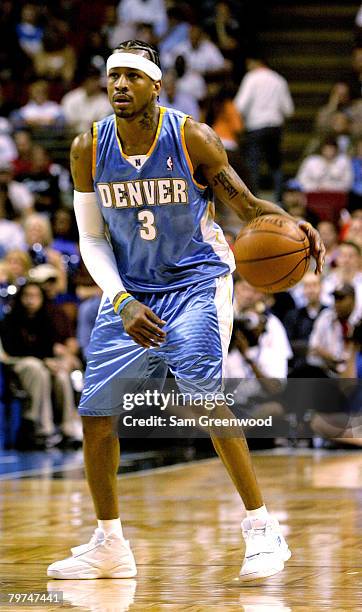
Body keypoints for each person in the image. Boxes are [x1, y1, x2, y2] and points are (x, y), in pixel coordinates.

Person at [47, 40, 324, 582]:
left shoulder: (190, 136)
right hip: (130, 291)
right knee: (96, 418)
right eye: (113, 77)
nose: (120, 86)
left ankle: (262, 528)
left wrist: (293, 224)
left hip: (198, 280)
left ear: (157, 85)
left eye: (132, 76)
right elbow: (89, 238)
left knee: (203, 393)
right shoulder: (87, 148)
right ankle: (109, 543)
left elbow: (244, 208)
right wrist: (122, 300)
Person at [234, 52, 294, 201]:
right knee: (275, 165)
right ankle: (279, 199)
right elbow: (289, 110)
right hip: (275, 127)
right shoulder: (278, 80)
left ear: (256, 62)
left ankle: (254, 200)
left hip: (256, 127)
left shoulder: (251, 78)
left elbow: (239, 106)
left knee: (253, 165)